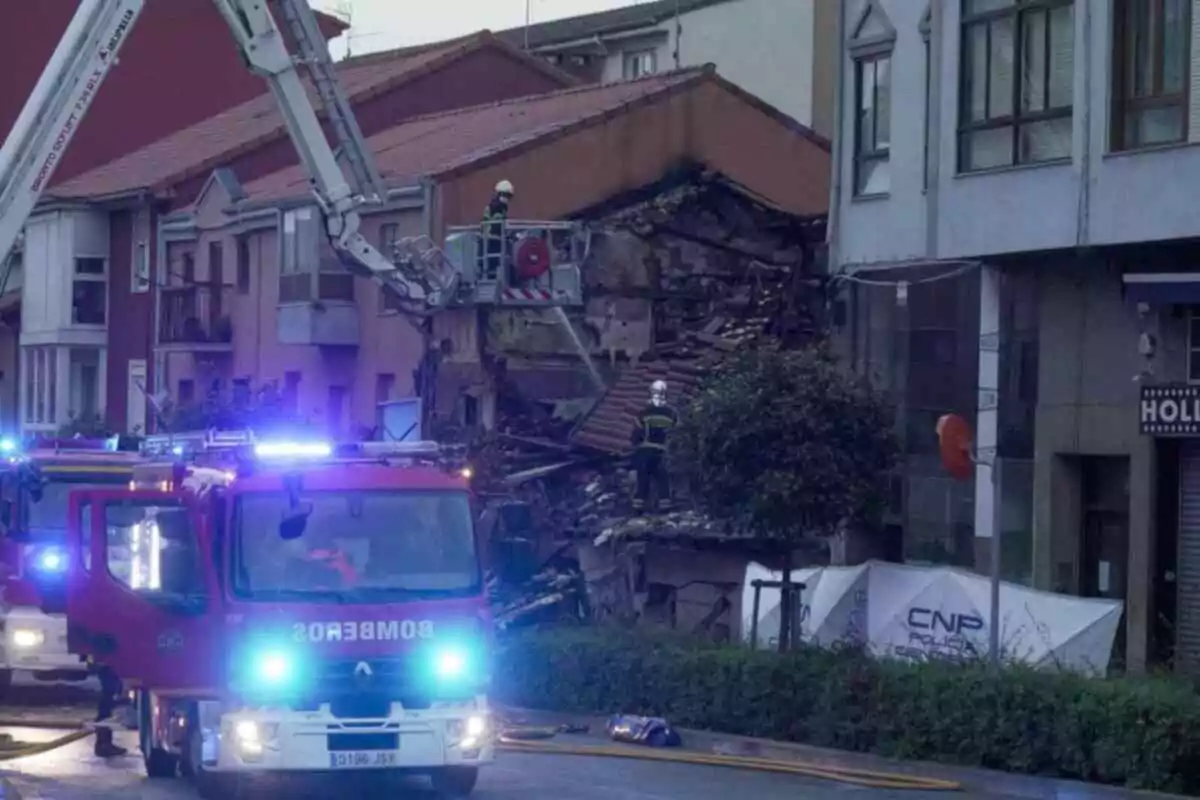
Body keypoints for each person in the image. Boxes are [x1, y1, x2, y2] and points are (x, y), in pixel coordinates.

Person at [630, 379, 677, 513]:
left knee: (643, 480)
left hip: (645, 451)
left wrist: (634, 446)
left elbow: (636, 434)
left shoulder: (644, 413)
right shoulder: (672, 414)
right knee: (662, 479)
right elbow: (677, 434)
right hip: (662, 451)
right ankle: (665, 507)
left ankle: (638, 508)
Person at [92, 661, 129, 758]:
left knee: (107, 699)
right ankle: (103, 744)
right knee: (108, 698)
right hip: (105, 663)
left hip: (104, 662)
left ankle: (103, 743)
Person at [480, 179, 514, 281]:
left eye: (508, 196)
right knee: (497, 261)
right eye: (505, 195)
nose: (506, 198)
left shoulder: (493, 205)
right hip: (493, 239)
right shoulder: (498, 207)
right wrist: (506, 233)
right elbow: (497, 224)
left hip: (488, 238)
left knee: (491, 262)